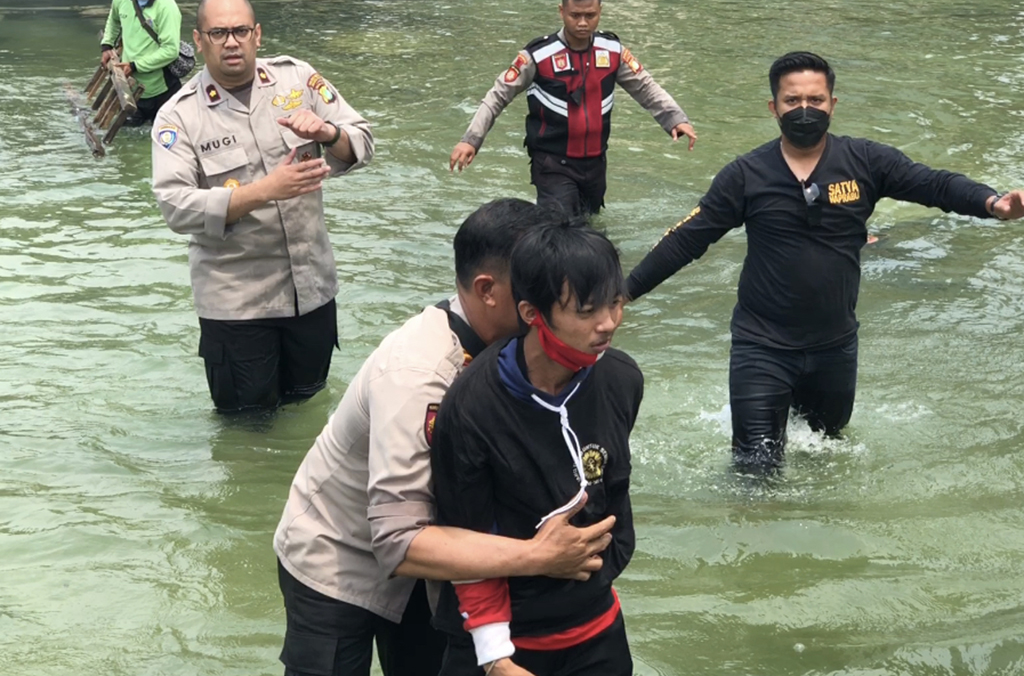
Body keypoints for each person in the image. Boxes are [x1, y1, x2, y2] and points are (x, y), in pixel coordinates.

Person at [626, 51, 1024, 468]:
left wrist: (992, 203)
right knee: (755, 471)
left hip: (835, 348)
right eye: (792, 101)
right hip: (761, 347)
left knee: (826, 459)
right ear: (773, 108)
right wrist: (624, 293)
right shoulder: (746, 175)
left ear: (833, 104)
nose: (804, 110)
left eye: (815, 101)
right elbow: (688, 238)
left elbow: (935, 184)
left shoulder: (866, 162)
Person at [273, 200, 617, 676]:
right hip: (341, 558)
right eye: (536, 285)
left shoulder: (516, 354)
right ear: (488, 290)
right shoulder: (420, 375)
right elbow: (397, 539)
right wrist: (537, 557)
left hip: (445, 562)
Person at [431, 218, 643, 676]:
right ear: (532, 313)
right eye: (586, 311)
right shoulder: (471, 407)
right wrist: (495, 659)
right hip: (503, 644)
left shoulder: (621, 380)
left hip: (597, 631)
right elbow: (465, 535)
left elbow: (614, 495)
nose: (608, 324)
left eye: (615, 302)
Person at [151, 0, 374, 413]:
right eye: (218, 33)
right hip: (237, 306)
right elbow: (175, 205)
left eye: (239, 31)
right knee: (247, 436)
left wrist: (328, 134)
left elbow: (362, 139)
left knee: (310, 410)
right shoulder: (177, 116)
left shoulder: (299, 80)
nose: (230, 42)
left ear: (257, 35)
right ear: (199, 41)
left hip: (311, 292)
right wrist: (264, 190)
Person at [449, 0, 696, 216]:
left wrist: (675, 118)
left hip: (596, 164)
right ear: (561, 12)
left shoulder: (613, 52)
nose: (582, 23)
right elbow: (497, 96)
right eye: (575, 15)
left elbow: (645, 86)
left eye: (590, 15)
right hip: (552, 164)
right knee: (559, 231)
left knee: (590, 230)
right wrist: (471, 139)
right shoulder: (538, 55)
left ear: (600, 11)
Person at [101, 0, 185, 126]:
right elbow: (114, 20)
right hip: (131, 90)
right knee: (128, 138)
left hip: (162, 90)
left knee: (167, 136)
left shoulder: (166, 5)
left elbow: (170, 50)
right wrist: (107, 45)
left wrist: (135, 66)